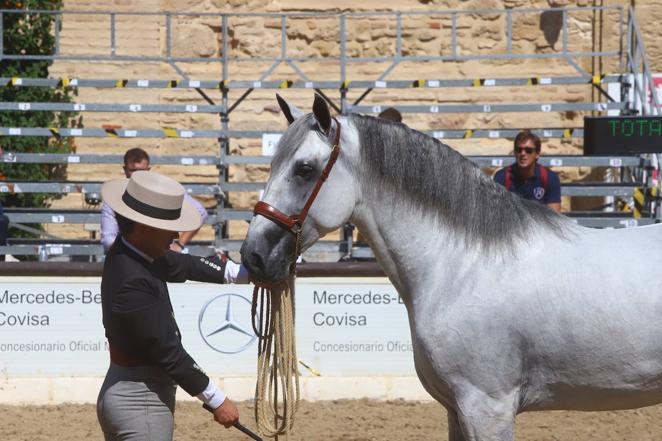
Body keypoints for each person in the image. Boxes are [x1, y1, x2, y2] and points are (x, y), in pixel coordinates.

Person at [97, 170, 249, 440]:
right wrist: (217, 400)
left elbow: (181, 264)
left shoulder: (130, 251)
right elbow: (168, 352)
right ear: (146, 227)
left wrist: (239, 274)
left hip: (132, 393)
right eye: (170, 227)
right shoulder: (132, 279)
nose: (176, 234)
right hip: (141, 401)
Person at [100, 148, 207, 253]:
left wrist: (179, 244)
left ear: (148, 169)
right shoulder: (117, 197)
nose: (137, 175)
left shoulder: (162, 190)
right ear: (125, 169)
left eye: (141, 170)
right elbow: (108, 240)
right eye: (133, 170)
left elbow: (200, 212)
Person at [494, 130, 562, 213]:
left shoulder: (550, 178)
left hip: (539, 225)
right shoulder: (502, 177)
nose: (523, 153)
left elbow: (554, 218)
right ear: (515, 152)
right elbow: (495, 213)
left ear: (537, 154)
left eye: (528, 150)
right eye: (519, 149)